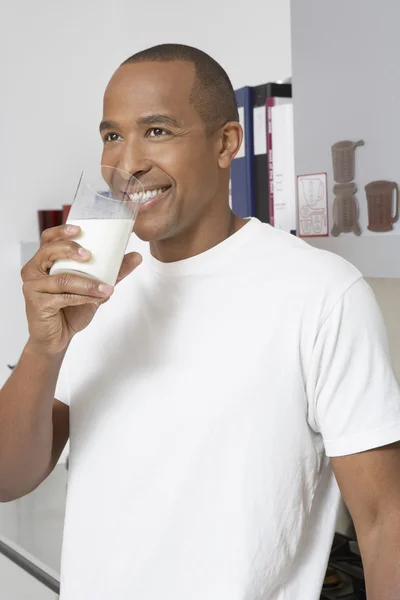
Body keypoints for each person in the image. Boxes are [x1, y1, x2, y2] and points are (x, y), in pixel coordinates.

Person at [1, 44, 400, 600]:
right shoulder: (95, 290)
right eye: (112, 136)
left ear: (226, 143)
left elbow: (385, 523)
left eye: (157, 131)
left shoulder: (323, 294)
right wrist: (45, 348)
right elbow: (8, 478)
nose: (129, 162)